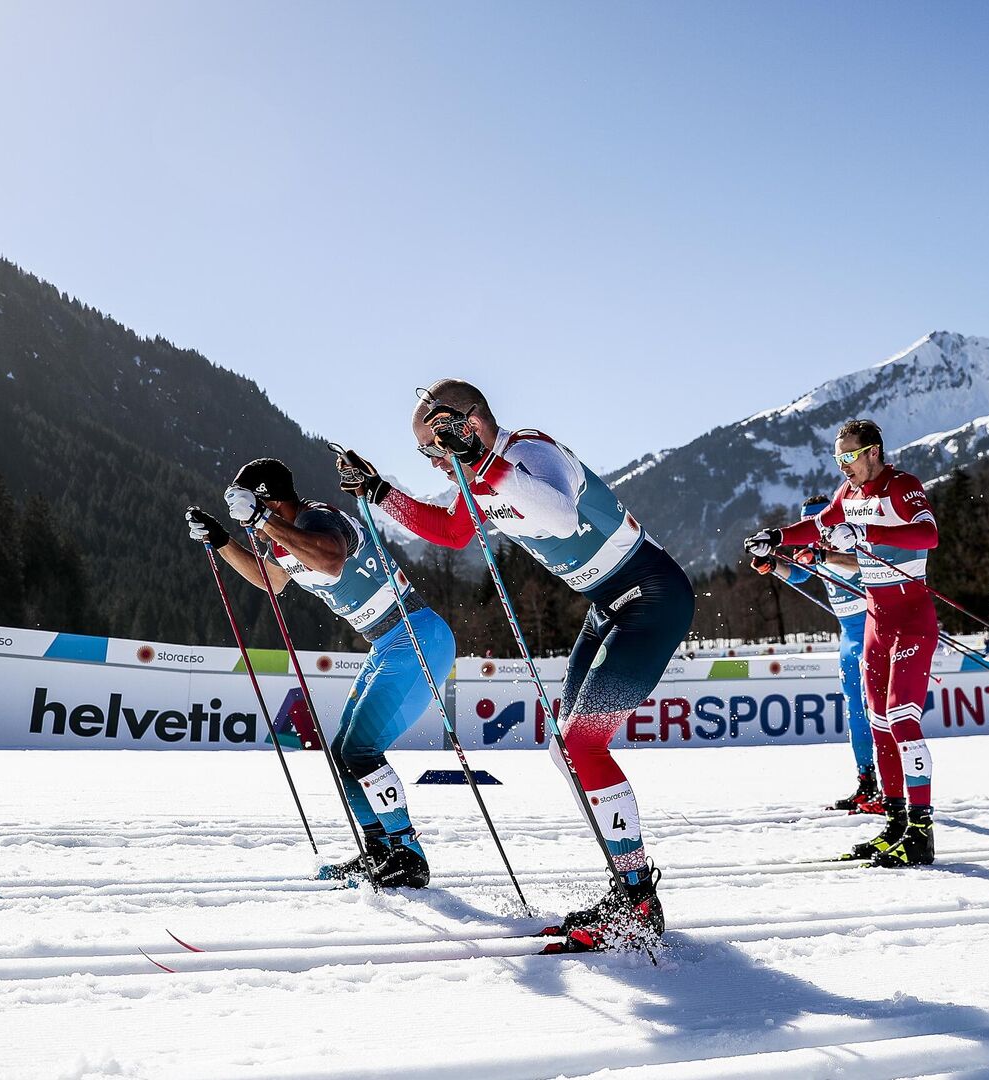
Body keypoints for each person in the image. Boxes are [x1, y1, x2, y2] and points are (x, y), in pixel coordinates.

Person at [341, 380, 694, 950]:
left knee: (583, 745)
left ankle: (636, 901)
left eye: (434, 445)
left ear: (467, 422)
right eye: (424, 453)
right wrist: (380, 491)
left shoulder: (528, 451)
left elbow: (556, 515)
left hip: (653, 598)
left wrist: (483, 462)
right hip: (610, 605)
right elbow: (453, 533)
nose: (433, 460)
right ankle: (626, 889)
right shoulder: (478, 476)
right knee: (567, 749)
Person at [185, 457, 455, 889]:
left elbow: (329, 560)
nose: (244, 517)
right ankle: (380, 850)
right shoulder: (278, 538)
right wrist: (222, 540)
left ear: (268, 499)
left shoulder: (320, 517)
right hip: (386, 641)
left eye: (247, 506)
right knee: (342, 752)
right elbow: (270, 581)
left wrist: (260, 520)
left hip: (416, 633)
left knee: (361, 750)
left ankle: (408, 854)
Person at [745, 419, 940, 867]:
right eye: (837, 459)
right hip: (875, 621)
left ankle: (921, 831)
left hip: (912, 618)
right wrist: (776, 537)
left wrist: (868, 535)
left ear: (873, 452)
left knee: (902, 719)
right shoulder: (847, 495)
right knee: (878, 724)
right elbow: (817, 527)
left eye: (849, 457)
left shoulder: (900, 485)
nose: (843, 466)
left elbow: (927, 534)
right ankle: (893, 824)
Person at [751, 495, 882, 815]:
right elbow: (796, 574)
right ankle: (867, 784)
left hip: (872, 632)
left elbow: (864, 563)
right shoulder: (818, 550)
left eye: (822, 527)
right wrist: (774, 565)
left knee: (877, 711)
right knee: (855, 712)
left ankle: (892, 790)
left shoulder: (848, 542)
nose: (818, 536)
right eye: (814, 530)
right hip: (848, 639)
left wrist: (824, 553)